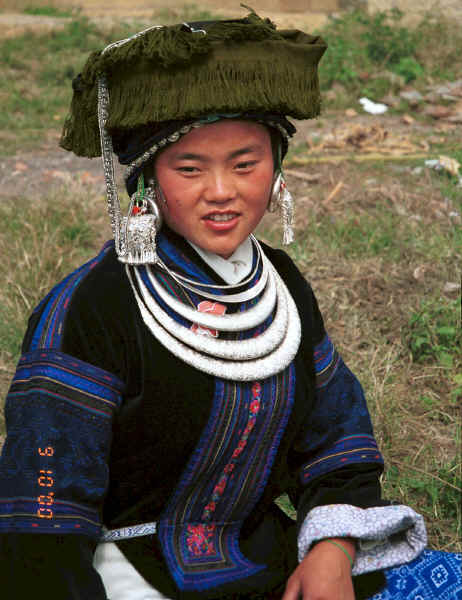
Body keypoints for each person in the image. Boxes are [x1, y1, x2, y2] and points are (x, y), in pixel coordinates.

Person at [0, 10, 460, 600]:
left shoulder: (281, 286)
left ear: (277, 171)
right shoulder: (91, 308)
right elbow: (45, 514)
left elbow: (337, 439)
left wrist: (332, 551)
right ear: (147, 182)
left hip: (267, 560)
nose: (221, 192)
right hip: (127, 576)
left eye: (245, 164)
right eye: (189, 168)